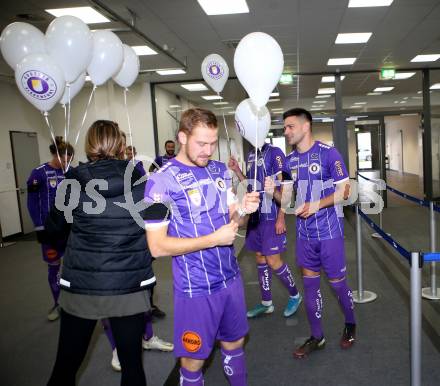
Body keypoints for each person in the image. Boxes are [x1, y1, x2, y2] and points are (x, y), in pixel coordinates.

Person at [144, 108, 260, 386]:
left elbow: (235, 222)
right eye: (201, 143)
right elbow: (157, 247)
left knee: (234, 343)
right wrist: (213, 239)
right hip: (196, 287)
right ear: (182, 137)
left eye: (213, 142)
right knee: (193, 360)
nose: (209, 150)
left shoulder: (219, 171)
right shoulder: (159, 182)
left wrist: (244, 209)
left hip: (229, 278)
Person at [46, 120, 159, 386]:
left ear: (89, 145)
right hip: (128, 286)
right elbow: (157, 229)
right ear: (121, 145)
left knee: (65, 366)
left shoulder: (72, 181)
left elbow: (53, 229)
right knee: (132, 366)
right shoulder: (141, 180)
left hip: (82, 284)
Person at [267, 108, 355, 359]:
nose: (286, 132)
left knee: (338, 286)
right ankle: (317, 336)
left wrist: (316, 205)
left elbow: (345, 191)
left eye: (290, 126)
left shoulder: (329, 153)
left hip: (330, 234)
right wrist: (271, 190)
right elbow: (285, 200)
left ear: (306, 126)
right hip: (305, 236)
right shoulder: (289, 161)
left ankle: (350, 323)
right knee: (311, 287)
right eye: (284, 128)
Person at [228, 143, 301, 319]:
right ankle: (266, 303)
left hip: (272, 216)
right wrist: (238, 170)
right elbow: (251, 186)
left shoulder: (275, 152)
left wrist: (281, 217)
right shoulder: (251, 154)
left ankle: (295, 295)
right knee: (260, 257)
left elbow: (286, 186)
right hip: (255, 216)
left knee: (273, 260)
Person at [27, 137, 74, 321]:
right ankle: (58, 303)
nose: (67, 163)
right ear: (56, 154)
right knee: (54, 269)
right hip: (49, 230)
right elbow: (31, 202)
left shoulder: (70, 172)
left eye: (70, 160)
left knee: (72, 267)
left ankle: (73, 302)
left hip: (69, 228)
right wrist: (39, 226)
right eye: (65, 159)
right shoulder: (38, 173)